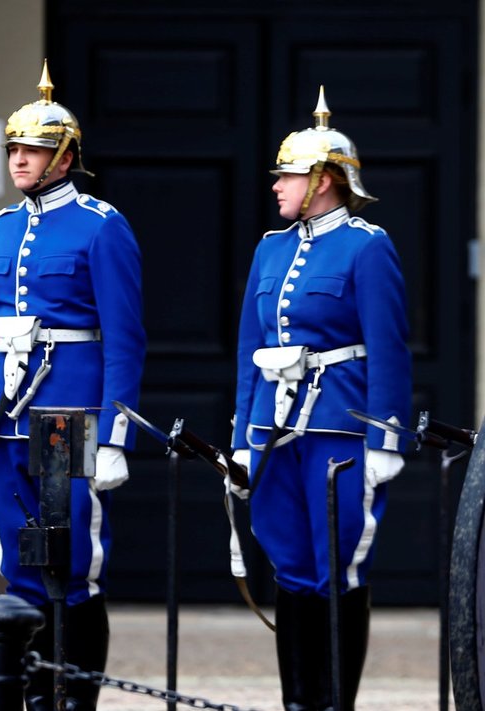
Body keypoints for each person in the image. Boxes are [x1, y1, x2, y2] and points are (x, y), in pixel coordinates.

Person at [0, 62, 146, 711]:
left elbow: (124, 338)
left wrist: (115, 433)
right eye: (14, 148)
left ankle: (74, 699)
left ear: (64, 157)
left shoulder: (100, 225)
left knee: (71, 566)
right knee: (19, 562)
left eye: (33, 149)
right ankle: (33, 694)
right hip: (5, 418)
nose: (19, 159)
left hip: (66, 414)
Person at [230, 87, 411, 710]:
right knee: (289, 565)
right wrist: (243, 439)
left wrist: (387, 437)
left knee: (339, 567)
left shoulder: (366, 245)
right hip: (277, 433)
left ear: (326, 180)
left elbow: (388, 347)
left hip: (339, 429)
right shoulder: (269, 248)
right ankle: (298, 703)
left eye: (290, 174)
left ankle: (335, 703)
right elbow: (251, 350)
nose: (277, 185)